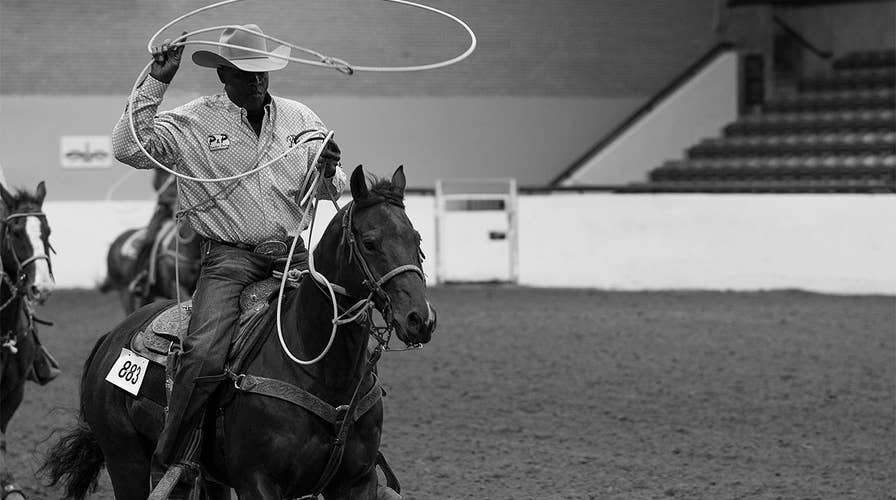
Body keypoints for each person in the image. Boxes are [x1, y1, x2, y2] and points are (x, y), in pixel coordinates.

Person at [111, 24, 346, 486]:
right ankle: (176, 456)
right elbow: (126, 148)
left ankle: (355, 447)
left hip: (296, 257)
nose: (257, 81)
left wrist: (329, 171)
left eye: (262, 73)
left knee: (348, 333)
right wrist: (156, 80)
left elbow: (329, 190)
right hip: (230, 259)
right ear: (224, 75)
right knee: (203, 352)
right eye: (245, 73)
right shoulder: (192, 122)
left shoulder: (302, 119)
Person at [129, 168, 178, 297]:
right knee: (149, 239)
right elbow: (159, 188)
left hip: (188, 212)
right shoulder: (163, 169)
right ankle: (142, 276)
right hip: (165, 212)